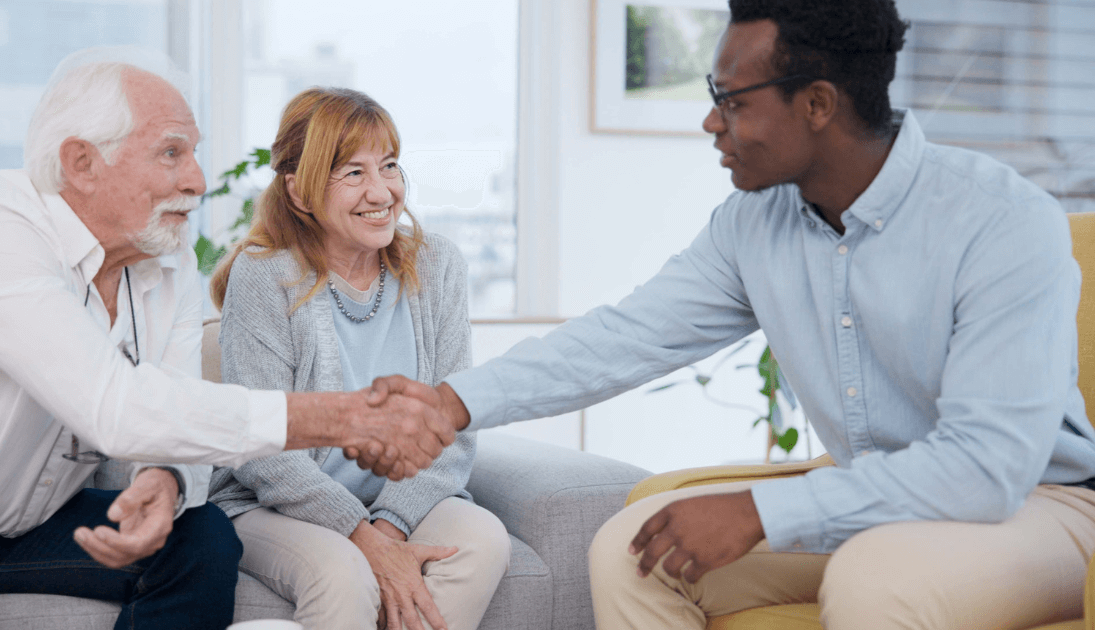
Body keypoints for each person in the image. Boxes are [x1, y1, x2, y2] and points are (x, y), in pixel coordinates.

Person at [366, 0, 1095, 628]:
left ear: (817, 103)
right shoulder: (754, 225)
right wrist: (451, 402)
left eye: (733, 100)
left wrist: (759, 512)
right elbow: (626, 337)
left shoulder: (1000, 222)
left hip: (1040, 509)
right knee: (635, 556)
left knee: (879, 576)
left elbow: (985, 468)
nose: (712, 122)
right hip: (873, 503)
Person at [0, 48, 455, 630]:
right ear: (82, 163)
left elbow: (177, 409)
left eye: (194, 152)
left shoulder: (166, 260)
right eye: (170, 153)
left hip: (40, 524)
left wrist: (164, 480)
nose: (197, 180)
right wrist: (344, 418)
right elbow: (113, 407)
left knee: (201, 536)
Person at [207, 87, 510, 630]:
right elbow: (262, 449)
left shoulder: (436, 263)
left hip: (400, 502)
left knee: (482, 540)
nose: (382, 191)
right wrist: (360, 534)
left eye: (389, 166)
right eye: (352, 173)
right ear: (300, 192)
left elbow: (453, 422)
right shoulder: (264, 275)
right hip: (274, 506)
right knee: (343, 573)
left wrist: (390, 529)